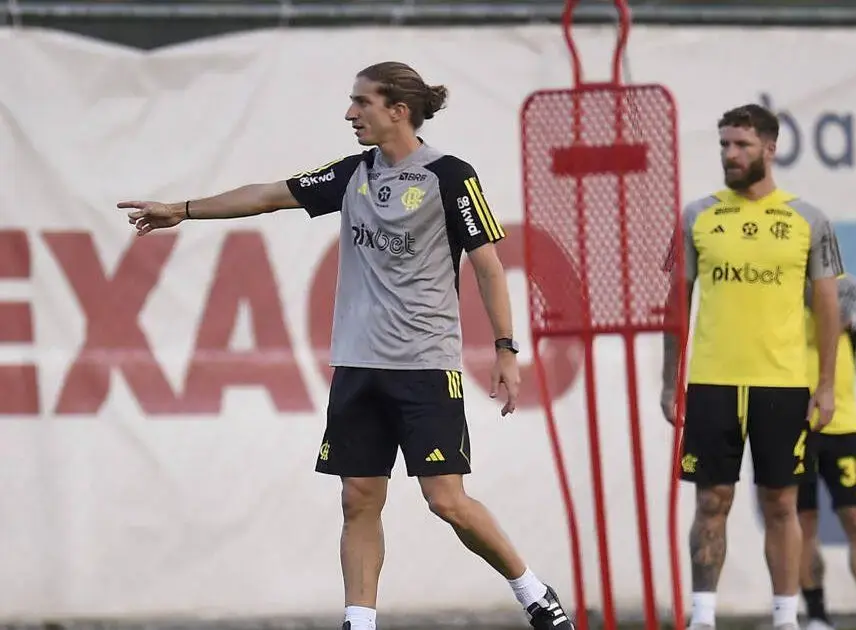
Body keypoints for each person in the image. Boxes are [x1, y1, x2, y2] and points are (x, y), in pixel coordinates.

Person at [119, 61, 575, 630]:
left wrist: (506, 348)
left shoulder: (452, 176)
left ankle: (534, 594)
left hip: (424, 367)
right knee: (358, 497)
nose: (349, 113)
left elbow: (488, 266)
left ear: (398, 111)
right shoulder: (353, 173)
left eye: (361, 102)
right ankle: (359, 622)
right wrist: (180, 210)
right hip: (358, 368)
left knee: (446, 502)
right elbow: (267, 195)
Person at [660, 103, 846, 630]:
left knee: (782, 504)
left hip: (782, 384)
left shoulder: (809, 219)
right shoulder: (697, 215)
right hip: (713, 381)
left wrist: (826, 385)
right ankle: (703, 616)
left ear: (770, 148)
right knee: (711, 500)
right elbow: (676, 302)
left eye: (740, 145)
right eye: (723, 144)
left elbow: (827, 306)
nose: (730, 155)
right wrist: (669, 381)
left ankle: (786, 617)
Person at [796, 273, 856, 630]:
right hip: (795, 426)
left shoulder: (848, 287)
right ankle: (817, 616)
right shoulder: (778, 290)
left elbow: (836, 314)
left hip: (844, 424)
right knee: (802, 524)